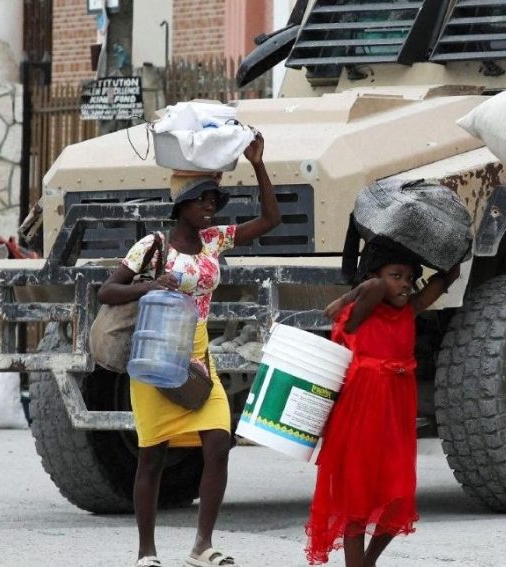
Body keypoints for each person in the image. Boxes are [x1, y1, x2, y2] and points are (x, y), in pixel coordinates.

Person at [97, 133, 279, 567]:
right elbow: (107, 291)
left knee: (218, 444)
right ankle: (146, 552)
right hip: (157, 355)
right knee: (152, 456)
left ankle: (202, 545)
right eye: (202, 200)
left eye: (214, 200)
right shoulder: (152, 246)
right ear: (182, 204)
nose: (209, 207)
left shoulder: (214, 240)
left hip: (198, 355)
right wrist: (148, 286)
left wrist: (257, 164)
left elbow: (270, 219)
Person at [305, 245, 460, 566]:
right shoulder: (356, 314)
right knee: (356, 501)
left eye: (409, 278)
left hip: (395, 418)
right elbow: (375, 288)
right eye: (396, 276)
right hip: (359, 418)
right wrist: (347, 298)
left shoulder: (409, 310)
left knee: (398, 496)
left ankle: (368, 561)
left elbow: (448, 276)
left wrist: (453, 248)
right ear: (372, 277)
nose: (405, 284)